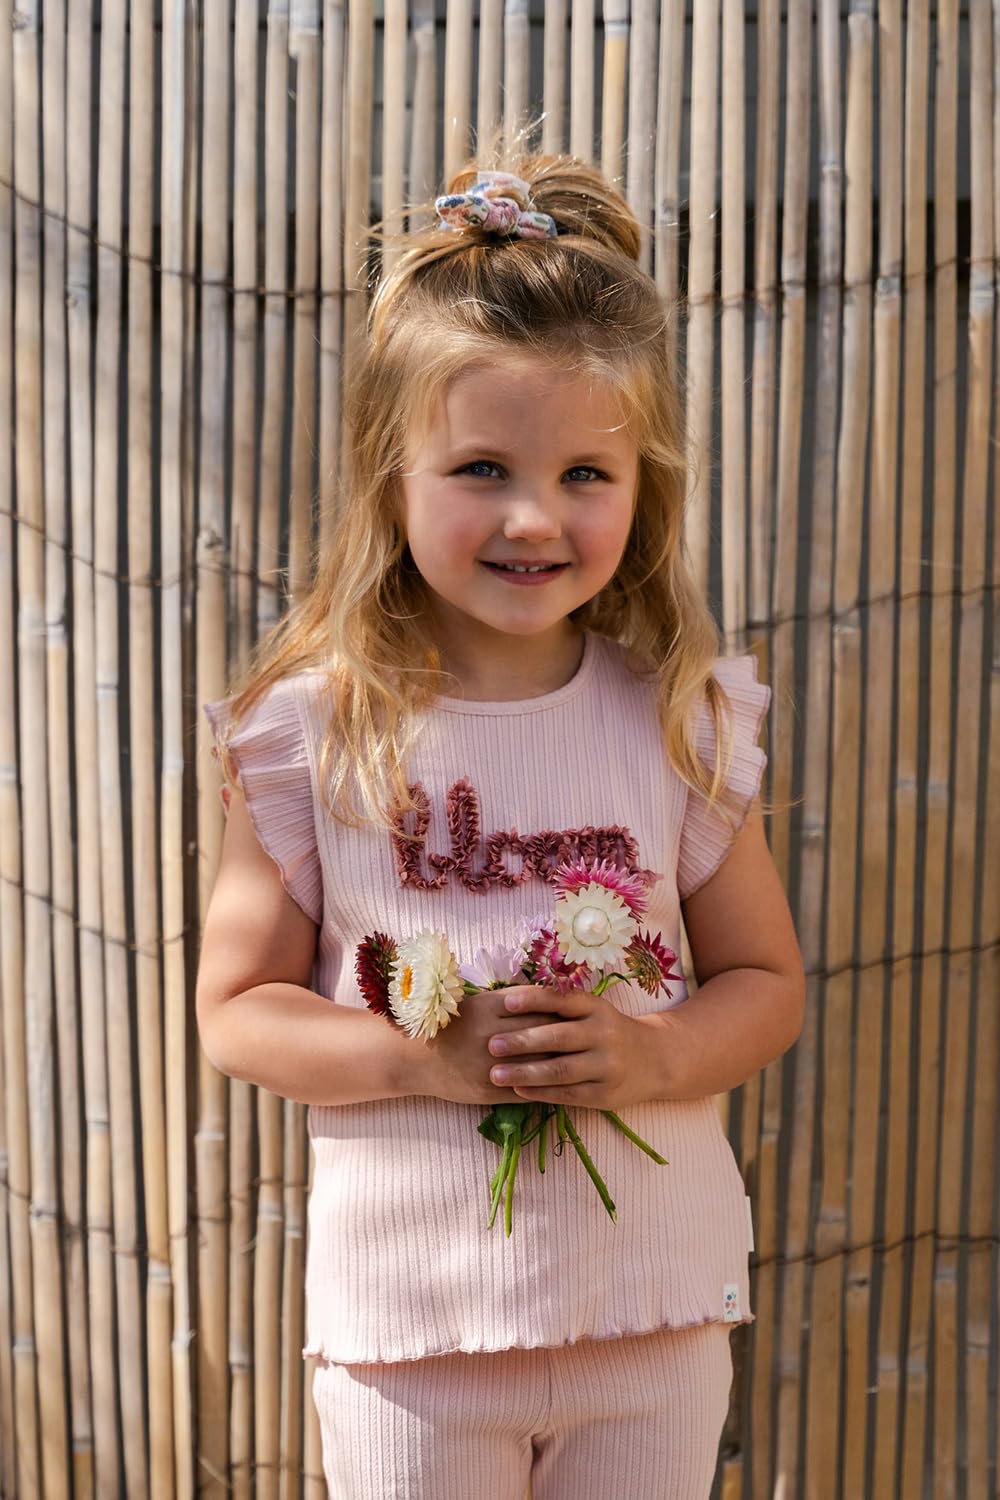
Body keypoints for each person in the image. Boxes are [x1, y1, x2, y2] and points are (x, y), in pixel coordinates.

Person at [196, 155, 805, 1500]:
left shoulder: (682, 723)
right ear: (390, 477)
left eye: (587, 472)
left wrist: (654, 1056)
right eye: (482, 468)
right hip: (410, 1338)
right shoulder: (312, 732)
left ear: (643, 487)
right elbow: (238, 1012)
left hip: (652, 1322)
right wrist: (428, 1058)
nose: (536, 517)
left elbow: (766, 983)